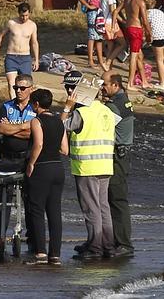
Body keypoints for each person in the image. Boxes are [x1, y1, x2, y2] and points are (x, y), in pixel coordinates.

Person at [60, 71, 116, 260]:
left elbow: (59, 127)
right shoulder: (107, 111)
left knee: (91, 208)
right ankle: (107, 245)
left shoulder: (81, 113)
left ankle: (95, 247)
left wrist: (67, 108)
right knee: (103, 207)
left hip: (87, 166)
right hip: (105, 165)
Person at [0, 74, 36, 251]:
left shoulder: (35, 108)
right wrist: (24, 127)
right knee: (2, 199)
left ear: (31, 89)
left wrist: (13, 129)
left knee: (30, 201)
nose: (18, 91)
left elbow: (34, 134)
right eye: (16, 88)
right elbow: (1, 128)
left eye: (22, 88)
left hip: (27, 158)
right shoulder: (6, 106)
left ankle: (33, 237)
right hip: (7, 158)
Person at [25, 89, 68, 265]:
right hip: (58, 168)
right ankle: (55, 254)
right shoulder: (59, 121)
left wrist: (31, 163)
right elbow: (65, 149)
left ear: (36, 104)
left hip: (42, 168)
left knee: (37, 209)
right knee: (54, 212)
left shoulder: (37, 120)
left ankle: (41, 252)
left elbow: (39, 144)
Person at [100, 71, 135, 257]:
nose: (102, 87)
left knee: (117, 200)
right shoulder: (124, 100)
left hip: (117, 158)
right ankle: (115, 241)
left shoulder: (114, 106)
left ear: (115, 85)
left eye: (105, 84)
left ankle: (124, 244)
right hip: (122, 156)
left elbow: (100, 123)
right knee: (114, 200)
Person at [0, 2, 39, 99]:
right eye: (22, 16)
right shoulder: (11, 23)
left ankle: (25, 104)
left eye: (26, 15)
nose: (24, 18)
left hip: (25, 57)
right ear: (18, 14)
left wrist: (36, 59)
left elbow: (34, 42)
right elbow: (1, 35)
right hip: (12, 57)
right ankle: (13, 105)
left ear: (29, 13)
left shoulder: (32, 25)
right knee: (11, 83)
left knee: (26, 84)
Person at [123, 0, 153, 91]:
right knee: (134, 56)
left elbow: (117, 11)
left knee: (140, 56)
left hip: (128, 28)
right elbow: (145, 21)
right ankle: (129, 83)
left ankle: (144, 81)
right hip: (136, 29)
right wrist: (149, 34)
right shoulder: (140, 2)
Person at [77, 0, 106, 69]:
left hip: (100, 12)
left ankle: (100, 60)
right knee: (92, 36)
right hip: (92, 12)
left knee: (99, 36)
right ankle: (90, 60)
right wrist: (88, 5)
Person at [99, 0, 126, 72]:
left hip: (103, 21)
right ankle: (108, 62)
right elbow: (113, 11)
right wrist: (122, 21)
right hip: (110, 22)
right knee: (122, 43)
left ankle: (108, 68)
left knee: (110, 44)